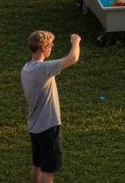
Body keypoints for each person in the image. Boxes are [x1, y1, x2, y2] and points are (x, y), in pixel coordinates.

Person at [21, 30, 81, 183]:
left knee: (37, 164)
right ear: (43, 47)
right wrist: (76, 42)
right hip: (48, 127)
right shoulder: (43, 69)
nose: (52, 47)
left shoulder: (26, 68)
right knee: (48, 170)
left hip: (34, 127)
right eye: (50, 45)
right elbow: (73, 58)